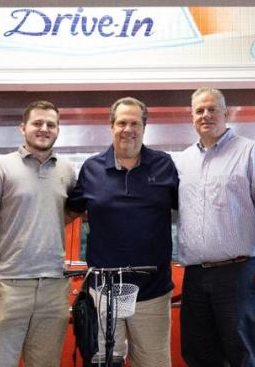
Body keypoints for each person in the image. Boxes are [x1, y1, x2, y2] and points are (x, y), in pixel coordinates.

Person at [175, 88, 255, 367]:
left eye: (213, 109)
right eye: (199, 110)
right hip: (195, 277)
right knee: (199, 355)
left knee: (243, 356)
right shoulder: (183, 161)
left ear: (226, 113)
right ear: (191, 116)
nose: (206, 115)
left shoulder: (253, 153)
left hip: (240, 274)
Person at [67, 97, 179, 367]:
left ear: (144, 127)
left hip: (153, 291)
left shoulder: (164, 165)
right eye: (121, 123)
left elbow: (186, 211)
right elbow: (70, 211)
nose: (128, 129)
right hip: (104, 293)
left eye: (135, 123)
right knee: (105, 363)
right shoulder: (92, 169)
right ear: (111, 126)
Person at [0, 100, 77, 367]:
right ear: (23, 128)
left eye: (51, 125)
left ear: (57, 130)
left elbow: (68, 214)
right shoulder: (2, 167)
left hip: (53, 286)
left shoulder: (67, 171)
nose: (44, 129)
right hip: (8, 285)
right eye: (37, 123)